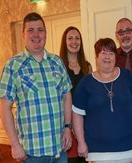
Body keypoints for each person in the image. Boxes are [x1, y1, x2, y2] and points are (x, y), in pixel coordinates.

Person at [0, 12, 72, 162]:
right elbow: (4, 108)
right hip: (31, 153)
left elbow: (66, 96)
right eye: (31, 30)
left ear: (46, 33)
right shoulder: (13, 66)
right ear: (23, 34)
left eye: (40, 30)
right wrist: (14, 143)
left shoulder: (57, 62)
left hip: (59, 149)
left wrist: (67, 128)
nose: (36, 34)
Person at [72, 38, 132, 163]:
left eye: (111, 53)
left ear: (115, 57)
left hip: (129, 148)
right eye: (103, 53)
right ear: (96, 57)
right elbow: (77, 114)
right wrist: (81, 142)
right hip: (98, 152)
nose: (107, 57)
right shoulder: (86, 83)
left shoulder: (127, 76)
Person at [59, 26, 92, 163]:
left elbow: (90, 94)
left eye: (77, 38)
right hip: (66, 123)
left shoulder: (87, 66)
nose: (74, 42)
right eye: (70, 38)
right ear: (65, 42)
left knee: (83, 159)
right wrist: (69, 125)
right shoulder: (58, 65)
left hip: (84, 122)